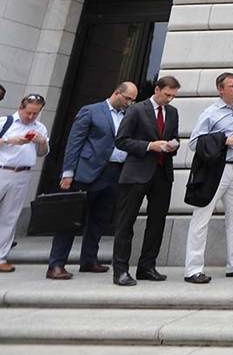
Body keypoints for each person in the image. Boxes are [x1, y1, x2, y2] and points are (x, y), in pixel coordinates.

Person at [47, 82, 137, 279]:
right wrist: (68, 173)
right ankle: (56, 264)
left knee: (99, 220)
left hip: (114, 173)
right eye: (128, 98)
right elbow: (75, 142)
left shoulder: (128, 116)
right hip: (86, 173)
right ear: (116, 93)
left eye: (133, 100)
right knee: (70, 219)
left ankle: (89, 260)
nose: (130, 103)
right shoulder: (91, 111)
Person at [184, 73, 233, 284]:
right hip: (215, 170)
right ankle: (193, 268)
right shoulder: (210, 113)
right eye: (231, 86)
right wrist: (224, 140)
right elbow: (194, 143)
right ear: (221, 89)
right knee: (202, 217)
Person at [112, 77, 181, 286]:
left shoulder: (172, 112)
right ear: (157, 89)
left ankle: (147, 266)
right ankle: (121, 270)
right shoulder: (136, 110)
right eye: (167, 94)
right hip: (136, 173)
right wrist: (149, 146)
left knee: (157, 222)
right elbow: (121, 140)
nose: (170, 99)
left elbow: (174, 136)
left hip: (162, 173)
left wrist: (173, 145)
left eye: (173, 96)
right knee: (126, 222)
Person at [0, 94, 50, 272]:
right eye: (29, 113)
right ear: (21, 108)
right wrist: (8, 140)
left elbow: (42, 152)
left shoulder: (40, 128)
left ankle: (1, 257)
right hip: (2, 168)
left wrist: (41, 141)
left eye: (35, 114)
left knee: (10, 216)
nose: (31, 117)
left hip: (22, 173)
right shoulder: (5, 122)